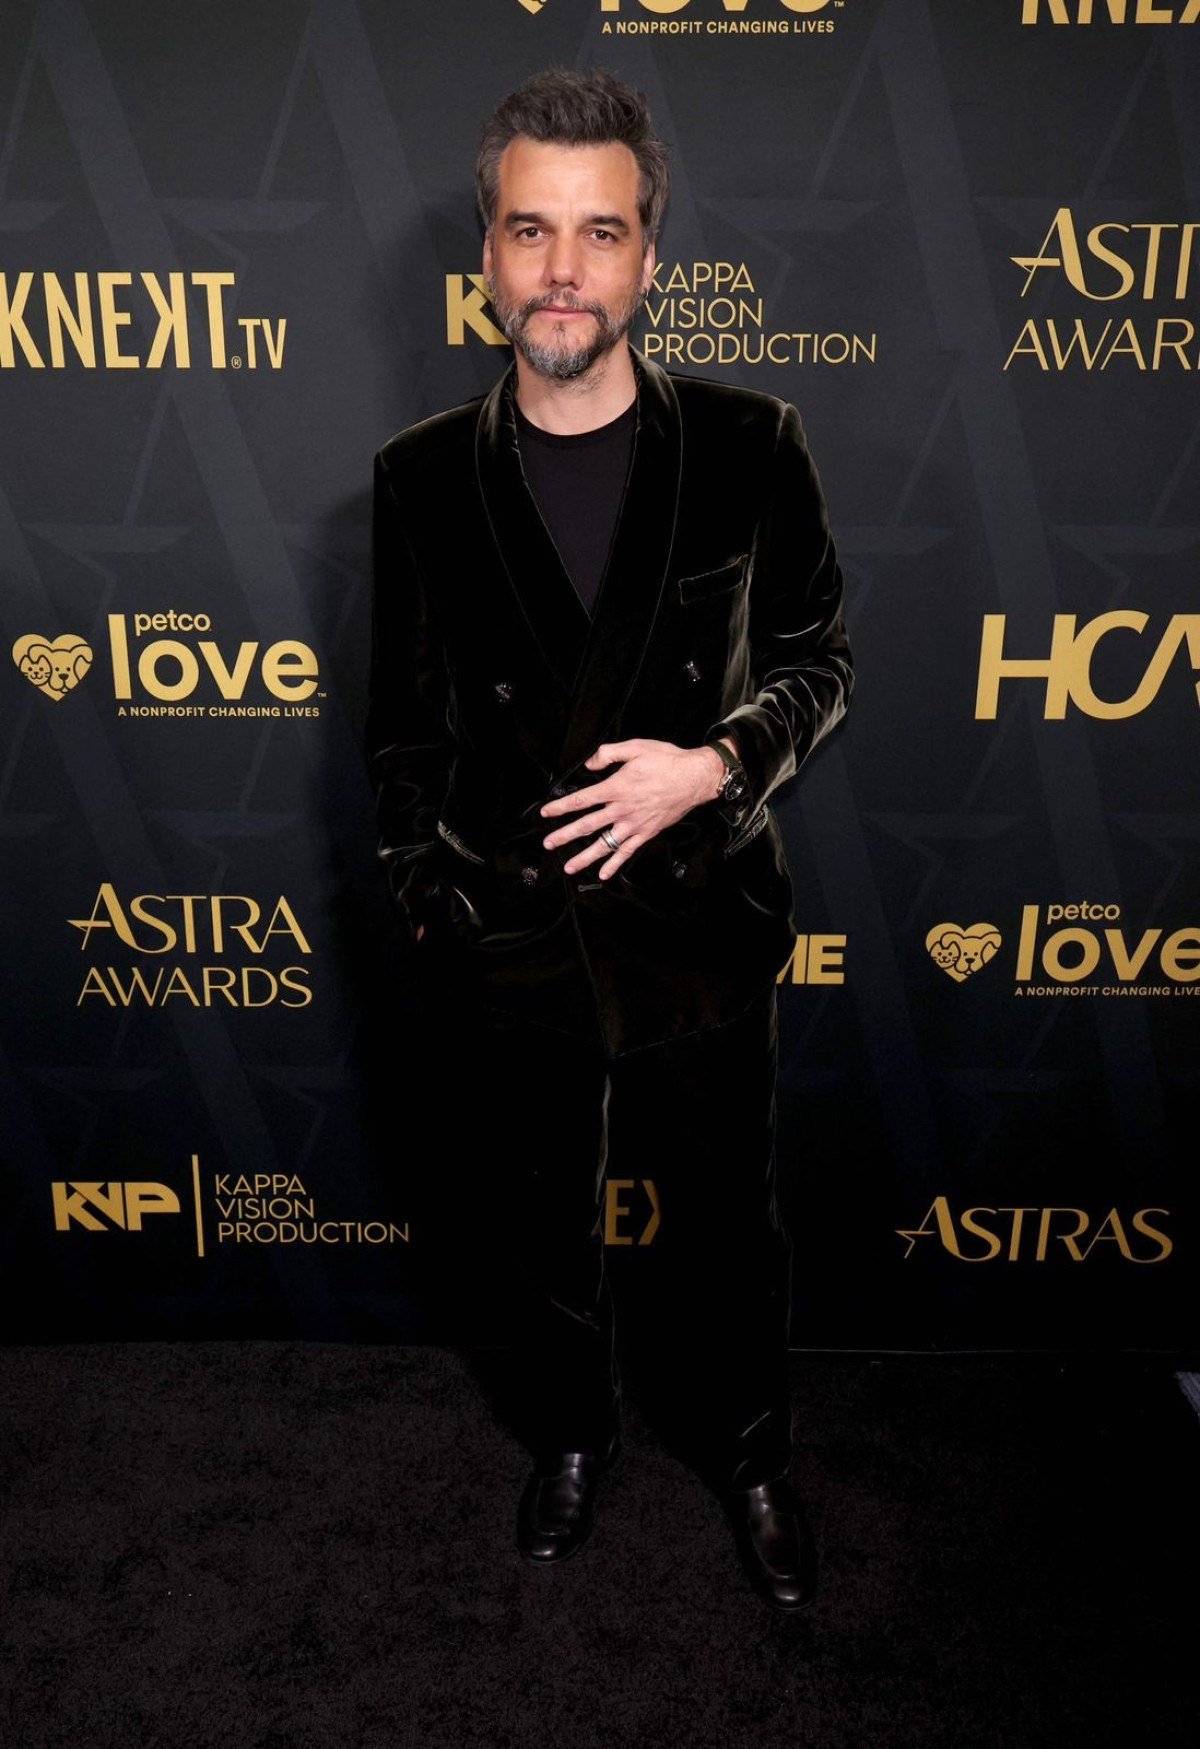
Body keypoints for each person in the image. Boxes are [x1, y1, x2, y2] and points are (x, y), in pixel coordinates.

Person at [365, 66, 852, 1611]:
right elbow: (402, 732)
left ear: (651, 259)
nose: (562, 269)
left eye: (599, 232)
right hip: (512, 937)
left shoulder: (752, 442)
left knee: (723, 1220)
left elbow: (819, 659)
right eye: (530, 231)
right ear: (490, 259)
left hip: (699, 918)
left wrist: (713, 767)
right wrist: (432, 901)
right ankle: (569, 1435)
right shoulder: (421, 477)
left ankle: (751, 1447)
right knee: (536, 1229)